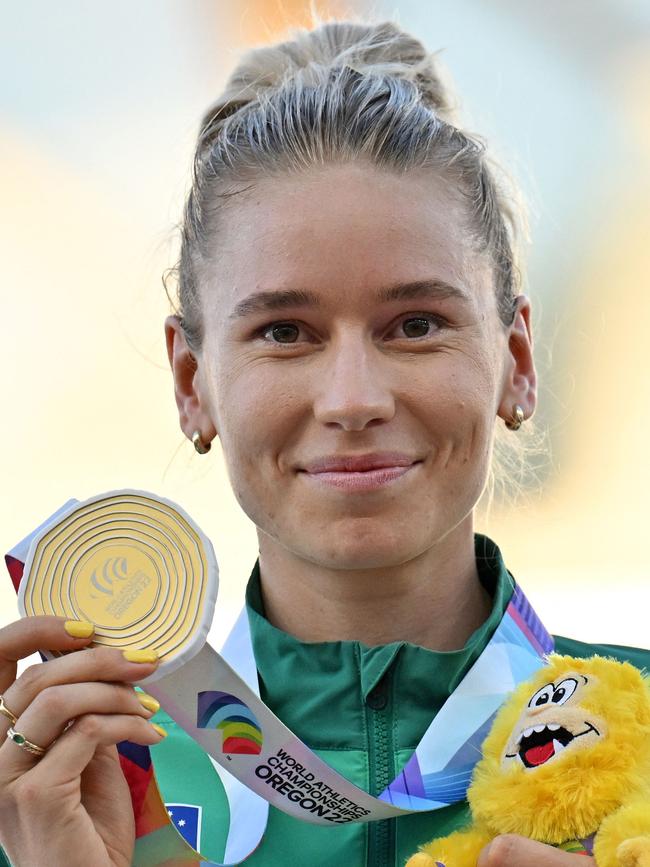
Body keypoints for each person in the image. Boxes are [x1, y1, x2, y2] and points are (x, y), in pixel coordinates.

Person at [0, 18, 648, 867]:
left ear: (515, 362)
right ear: (192, 382)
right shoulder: (63, 787)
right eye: (284, 332)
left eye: (416, 324)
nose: (352, 398)